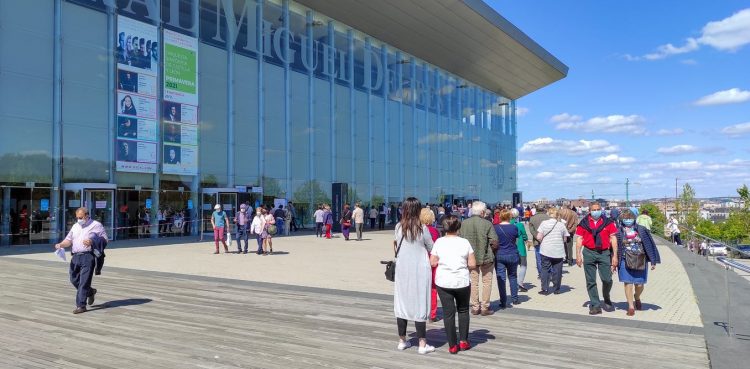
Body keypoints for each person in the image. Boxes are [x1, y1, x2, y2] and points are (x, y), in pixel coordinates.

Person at [393, 197, 435, 354]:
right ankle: (422, 344)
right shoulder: (422, 227)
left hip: (402, 269)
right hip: (419, 269)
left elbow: (396, 244)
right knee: (420, 303)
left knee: (402, 302)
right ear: (418, 210)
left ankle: (402, 341)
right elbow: (431, 246)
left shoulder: (398, 227)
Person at [430, 215, 476, 354]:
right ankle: (463, 341)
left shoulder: (439, 242)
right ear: (458, 227)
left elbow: (432, 262)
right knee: (463, 310)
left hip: (444, 281)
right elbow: (472, 264)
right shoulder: (465, 242)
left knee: (448, 313)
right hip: (461, 280)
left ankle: (452, 345)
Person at [54, 208, 108, 314]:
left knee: (84, 281)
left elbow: (105, 239)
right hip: (75, 256)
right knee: (73, 279)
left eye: (81, 217)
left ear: (87, 215)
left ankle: (81, 305)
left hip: (88, 256)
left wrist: (92, 241)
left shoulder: (96, 225)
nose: (79, 219)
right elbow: (68, 240)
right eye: (77, 217)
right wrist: (60, 244)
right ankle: (90, 291)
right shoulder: (75, 226)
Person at [616, 209, 661, 316]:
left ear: (634, 218)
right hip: (624, 259)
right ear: (622, 219)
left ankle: (637, 297)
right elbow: (614, 247)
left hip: (640, 259)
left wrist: (653, 261)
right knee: (628, 282)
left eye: (630, 218)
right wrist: (613, 261)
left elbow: (649, 244)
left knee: (639, 284)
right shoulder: (618, 231)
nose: (628, 220)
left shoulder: (641, 229)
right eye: (625, 218)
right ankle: (631, 306)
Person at [576, 202, 618, 315]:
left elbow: (613, 239)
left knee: (607, 279)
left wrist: (615, 256)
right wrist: (578, 255)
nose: (596, 211)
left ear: (601, 209)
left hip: (604, 253)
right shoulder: (583, 223)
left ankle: (606, 297)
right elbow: (579, 239)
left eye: (598, 209)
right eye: (594, 209)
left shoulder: (608, 223)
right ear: (589, 210)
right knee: (591, 281)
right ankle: (595, 304)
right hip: (589, 252)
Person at [461, 201, 498, 316]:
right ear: (482, 212)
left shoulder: (464, 223)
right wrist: (493, 253)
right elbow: (494, 242)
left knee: (473, 282)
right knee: (487, 282)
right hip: (486, 257)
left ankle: (475, 306)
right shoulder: (487, 224)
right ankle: (484, 307)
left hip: (470, 258)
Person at [536, 207, 569, 295]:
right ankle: (556, 289)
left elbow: (539, 237)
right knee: (558, 270)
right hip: (558, 250)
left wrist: (542, 241)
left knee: (545, 269)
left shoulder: (544, 223)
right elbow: (565, 239)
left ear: (548, 214)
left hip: (546, 249)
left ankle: (545, 289)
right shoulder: (561, 224)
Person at [494, 209, 520, 308]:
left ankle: (503, 301)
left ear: (500, 216)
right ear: (510, 217)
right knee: (513, 277)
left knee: (501, 278)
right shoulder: (514, 227)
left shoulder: (495, 228)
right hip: (512, 253)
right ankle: (515, 298)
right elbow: (515, 239)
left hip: (500, 254)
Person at [420, 208, 440, 322]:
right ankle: (432, 314)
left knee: (421, 288)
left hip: (420, 262)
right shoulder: (434, 231)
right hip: (432, 262)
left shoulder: (417, 230)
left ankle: (421, 311)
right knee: (432, 288)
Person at [528, 205, 551, 279]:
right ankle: (548, 273)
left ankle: (541, 274)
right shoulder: (548, 218)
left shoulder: (532, 218)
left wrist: (538, 237)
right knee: (548, 257)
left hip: (537, 241)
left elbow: (531, 230)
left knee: (539, 258)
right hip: (547, 240)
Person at [510, 208, 529, 292]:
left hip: (510, 248)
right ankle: (520, 283)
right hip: (520, 247)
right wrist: (526, 240)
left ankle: (513, 283)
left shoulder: (507, 224)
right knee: (523, 265)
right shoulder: (520, 225)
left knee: (512, 267)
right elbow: (525, 236)